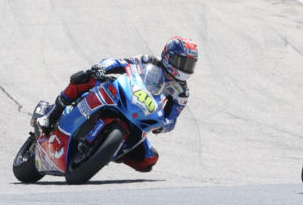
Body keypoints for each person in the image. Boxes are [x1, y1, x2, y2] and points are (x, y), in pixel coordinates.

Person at [35, 37, 198, 172]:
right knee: (87, 78)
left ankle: (109, 150)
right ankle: (51, 115)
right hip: (123, 95)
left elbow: (172, 118)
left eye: (190, 64)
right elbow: (120, 63)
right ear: (169, 56)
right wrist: (102, 67)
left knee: (148, 161)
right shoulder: (149, 61)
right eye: (183, 62)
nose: (186, 68)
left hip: (141, 118)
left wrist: (164, 126)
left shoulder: (182, 92)